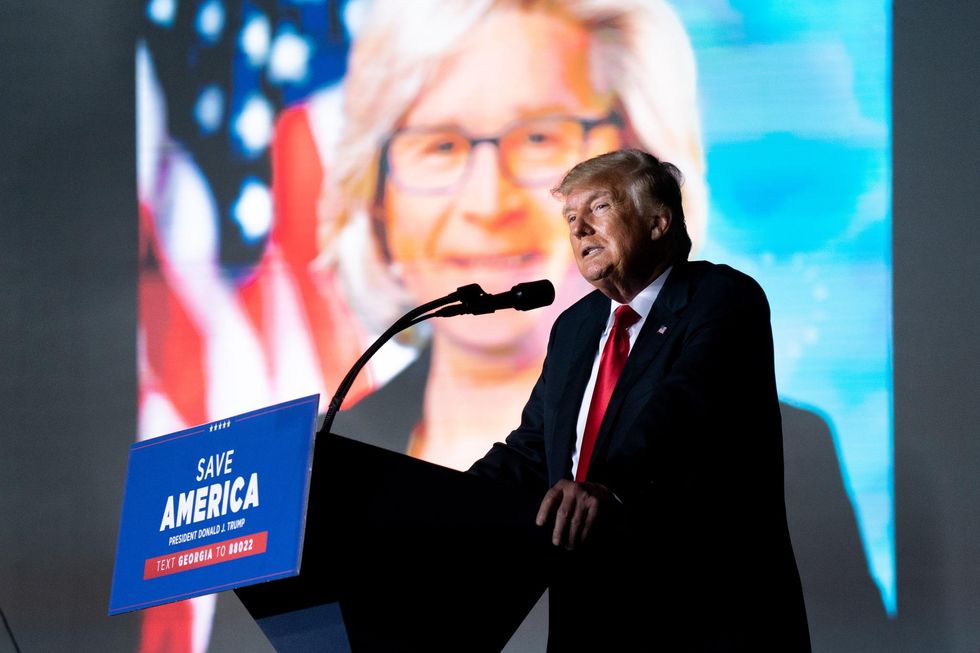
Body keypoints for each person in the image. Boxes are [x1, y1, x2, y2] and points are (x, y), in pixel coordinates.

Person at [468, 148, 811, 650]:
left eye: (599, 208)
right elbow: (534, 447)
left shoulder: (720, 297)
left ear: (657, 222)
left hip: (703, 610)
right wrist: (442, 500)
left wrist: (607, 484)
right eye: (570, 217)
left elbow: (685, 411)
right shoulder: (576, 327)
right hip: (590, 612)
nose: (580, 229)